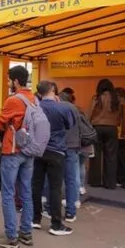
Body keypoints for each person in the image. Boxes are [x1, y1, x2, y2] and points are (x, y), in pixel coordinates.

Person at [0, 65, 36, 248]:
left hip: (13, 150)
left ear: (15, 81)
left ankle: (11, 237)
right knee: (26, 191)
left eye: (9, 80)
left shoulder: (13, 100)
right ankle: (26, 233)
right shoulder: (33, 99)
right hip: (29, 151)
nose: (8, 83)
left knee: (8, 194)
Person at [31, 81, 75, 236]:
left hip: (38, 150)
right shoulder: (63, 107)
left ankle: (35, 218)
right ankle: (56, 224)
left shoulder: (35, 108)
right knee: (55, 188)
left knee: (36, 185)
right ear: (52, 90)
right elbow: (70, 124)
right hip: (57, 151)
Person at [87, 79, 124, 190]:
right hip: (112, 128)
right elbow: (122, 115)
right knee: (111, 156)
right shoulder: (117, 99)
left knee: (96, 155)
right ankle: (110, 183)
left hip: (97, 127)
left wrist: (88, 125)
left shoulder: (96, 98)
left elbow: (90, 113)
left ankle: (95, 181)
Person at [58, 89, 82, 223]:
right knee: (71, 180)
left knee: (54, 179)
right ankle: (70, 212)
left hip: (58, 146)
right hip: (72, 147)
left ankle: (50, 209)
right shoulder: (75, 109)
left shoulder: (55, 108)